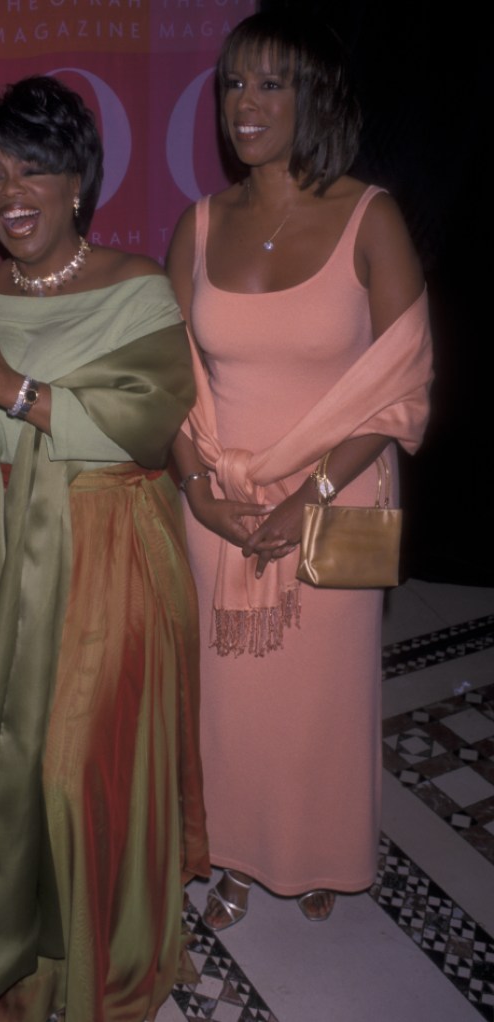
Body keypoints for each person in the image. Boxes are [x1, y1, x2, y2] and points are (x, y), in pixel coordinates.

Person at [0, 74, 209, 1021]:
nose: (11, 192)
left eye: (34, 167)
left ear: (79, 179)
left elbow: (151, 424)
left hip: (111, 552)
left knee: (73, 765)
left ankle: (93, 961)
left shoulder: (137, 286)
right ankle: (0, 929)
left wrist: (15, 392)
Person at [166, 11, 432, 930]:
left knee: (323, 696)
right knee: (230, 701)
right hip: (224, 504)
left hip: (340, 498)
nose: (246, 103)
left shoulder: (370, 216)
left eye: (272, 83)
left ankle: (319, 848)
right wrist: (201, 490)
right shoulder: (198, 225)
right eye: (234, 83)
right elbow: (164, 377)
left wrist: (311, 492)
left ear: (315, 96)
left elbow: (403, 382)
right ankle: (234, 854)